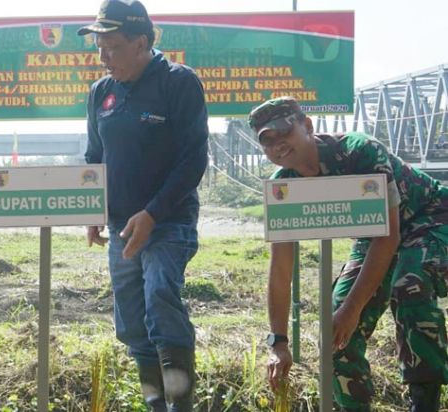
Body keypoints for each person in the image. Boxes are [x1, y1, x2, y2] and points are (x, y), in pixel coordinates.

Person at [251, 96, 448, 411]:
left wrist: (354, 309)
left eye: (284, 133)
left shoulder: (360, 151)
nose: (278, 145)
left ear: (308, 126)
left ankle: (424, 400)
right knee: (334, 330)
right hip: (375, 236)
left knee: (409, 284)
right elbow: (280, 272)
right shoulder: (283, 186)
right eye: (268, 141)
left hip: (430, 217)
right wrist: (278, 342)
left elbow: (390, 235)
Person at [78, 1, 209, 410]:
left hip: (168, 222)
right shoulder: (102, 91)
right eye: (99, 47)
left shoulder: (178, 82)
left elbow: (194, 159)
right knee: (133, 324)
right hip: (120, 226)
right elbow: (94, 157)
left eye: (112, 47)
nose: (103, 57)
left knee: (160, 301)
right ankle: (157, 405)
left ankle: (180, 405)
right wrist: (93, 211)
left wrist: (152, 214)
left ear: (142, 43)